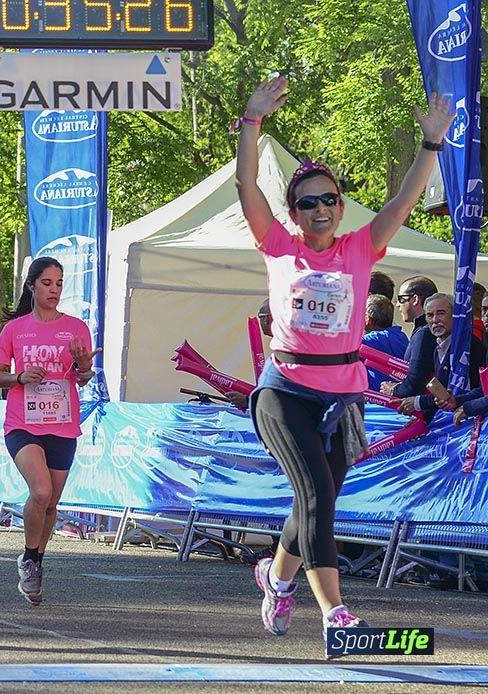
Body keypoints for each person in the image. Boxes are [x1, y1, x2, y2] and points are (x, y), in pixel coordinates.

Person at [237, 76, 453, 644]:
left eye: (329, 199)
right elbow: (246, 184)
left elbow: (405, 200)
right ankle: (335, 611)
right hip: (284, 389)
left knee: (321, 496)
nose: (321, 209)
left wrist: (429, 145)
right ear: (294, 212)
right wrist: (252, 122)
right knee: (313, 492)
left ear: (340, 205)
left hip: (342, 392)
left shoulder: (360, 247)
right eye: (307, 202)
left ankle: (277, 576)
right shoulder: (277, 246)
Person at [0, 257, 97, 606]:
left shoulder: (76, 327)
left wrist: (82, 366)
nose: (54, 289)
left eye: (59, 283)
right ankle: (30, 558)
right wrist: (19, 377)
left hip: (62, 424)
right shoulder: (15, 329)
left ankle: (35, 560)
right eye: (47, 283)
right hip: (23, 424)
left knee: (51, 503)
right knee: (41, 490)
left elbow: (83, 377)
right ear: (32, 286)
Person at [395, 293, 484, 415]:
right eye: (430, 315)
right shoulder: (437, 347)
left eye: (441, 313)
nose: (435, 320)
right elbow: (443, 395)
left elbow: (462, 393)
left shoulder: (468, 347)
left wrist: (418, 402)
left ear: (454, 315)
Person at [225, 299, 273, 410]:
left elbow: (281, 393)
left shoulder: (287, 350)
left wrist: (248, 400)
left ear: (266, 319)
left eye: (260, 316)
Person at [362, 295, 409, 392]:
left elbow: (345, 347)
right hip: (399, 396)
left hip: (377, 400)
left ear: (367, 319)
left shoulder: (371, 340)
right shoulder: (401, 336)